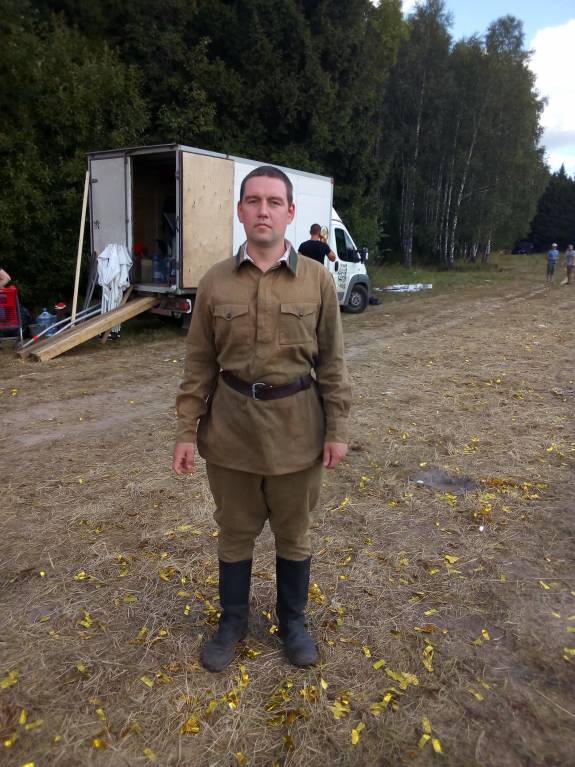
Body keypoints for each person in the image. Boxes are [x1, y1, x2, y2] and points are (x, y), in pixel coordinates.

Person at [173, 166, 351, 673]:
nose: (263, 210)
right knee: (234, 532)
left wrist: (338, 429)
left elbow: (333, 363)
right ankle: (232, 622)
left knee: (294, 534)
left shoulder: (317, 280)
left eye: (274, 202)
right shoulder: (215, 282)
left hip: (298, 433)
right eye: (253, 201)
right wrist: (186, 430)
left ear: (291, 213)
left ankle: (293, 623)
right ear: (240, 211)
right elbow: (198, 364)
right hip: (231, 433)